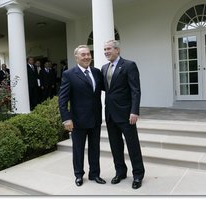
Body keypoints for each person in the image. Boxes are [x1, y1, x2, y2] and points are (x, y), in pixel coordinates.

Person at [59, 45, 106, 186]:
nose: (86, 57)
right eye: (83, 55)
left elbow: (108, 88)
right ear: (77, 57)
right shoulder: (69, 74)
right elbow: (62, 99)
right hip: (77, 120)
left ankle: (95, 174)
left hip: (96, 118)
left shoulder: (97, 72)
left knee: (95, 148)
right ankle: (79, 175)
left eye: (88, 54)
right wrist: (66, 118)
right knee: (78, 149)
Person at [101, 40, 145, 189]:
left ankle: (138, 174)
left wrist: (134, 111)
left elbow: (135, 90)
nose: (106, 51)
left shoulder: (129, 65)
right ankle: (120, 172)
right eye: (105, 49)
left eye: (109, 49)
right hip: (110, 114)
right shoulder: (103, 68)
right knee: (115, 145)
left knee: (132, 145)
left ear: (117, 50)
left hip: (126, 114)